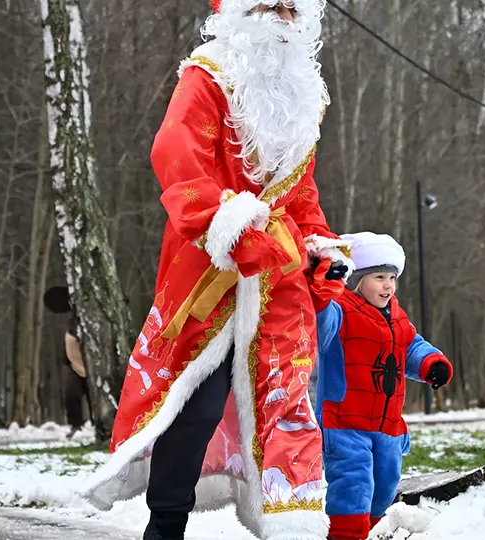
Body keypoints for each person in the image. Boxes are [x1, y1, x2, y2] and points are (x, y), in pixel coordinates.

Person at [78, 2, 352, 539]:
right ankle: (166, 526)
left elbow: (301, 193)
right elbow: (175, 153)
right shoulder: (208, 75)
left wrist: (319, 246)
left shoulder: (304, 94)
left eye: (292, 9)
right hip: (209, 272)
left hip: (278, 284)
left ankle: (290, 527)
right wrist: (226, 223)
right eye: (268, 5)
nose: (281, 18)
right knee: (193, 407)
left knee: (287, 412)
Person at [309, 232, 452, 540]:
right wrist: (323, 290)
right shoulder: (340, 309)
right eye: (379, 277)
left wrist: (431, 363)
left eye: (392, 277)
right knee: (353, 483)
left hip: (388, 425)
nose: (389, 285)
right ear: (357, 280)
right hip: (345, 420)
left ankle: (363, 528)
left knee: (385, 484)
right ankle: (346, 533)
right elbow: (320, 324)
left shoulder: (397, 317)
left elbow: (412, 346)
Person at [43, 285, 90, 438]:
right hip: (75, 362)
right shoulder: (74, 319)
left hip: (92, 362)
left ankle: (104, 424)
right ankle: (76, 425)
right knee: (71, 393)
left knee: (95, 395)